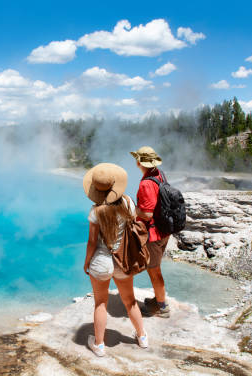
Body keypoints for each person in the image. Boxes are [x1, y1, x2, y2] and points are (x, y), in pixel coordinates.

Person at [82, 163, 148, 357]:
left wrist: (87, 262)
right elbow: (132, 225)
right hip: (123, 260)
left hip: (102, 261)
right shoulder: (127, 202)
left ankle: (99, 345)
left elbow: (92, 242)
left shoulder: (96, 211)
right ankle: (142, 337)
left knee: (100, 303)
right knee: (130, 301)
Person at [130, 146, 170, 318]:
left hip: (153, 235)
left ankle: (162, 308)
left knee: (154, 271)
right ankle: (158, 299)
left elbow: (147, 214)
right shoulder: (159, 174)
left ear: (139, 162)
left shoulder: (146, 183)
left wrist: (133, 209)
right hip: (164, 229)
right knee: (156, 268)